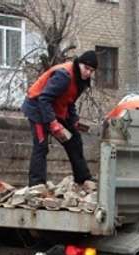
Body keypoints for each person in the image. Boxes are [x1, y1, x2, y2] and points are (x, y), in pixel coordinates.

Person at [21, 50, 97, 188]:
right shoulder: (64, 75)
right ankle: (36, 185)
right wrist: (53, 122)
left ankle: (83, 178)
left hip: (54, 109)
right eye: (86, 68)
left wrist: (73, 120)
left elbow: (70, 101)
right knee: (41, 146)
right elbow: (44, 98)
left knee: (75, 140)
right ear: (78, 64)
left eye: (91, 71)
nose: (88, 73)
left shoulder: (81, 81)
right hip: (37, 107)